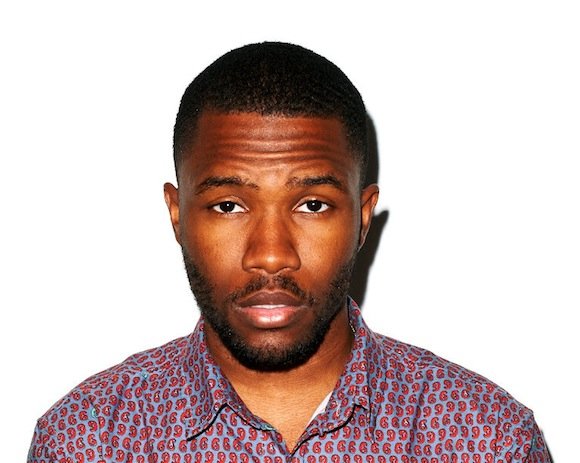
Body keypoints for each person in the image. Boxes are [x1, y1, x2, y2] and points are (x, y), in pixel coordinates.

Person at [28, 42, 550, 462]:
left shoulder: (489, 440)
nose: (272, 255)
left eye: (312, 205)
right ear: (178, 214)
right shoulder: (84, 443)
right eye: (229, 206)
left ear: (362, 217)